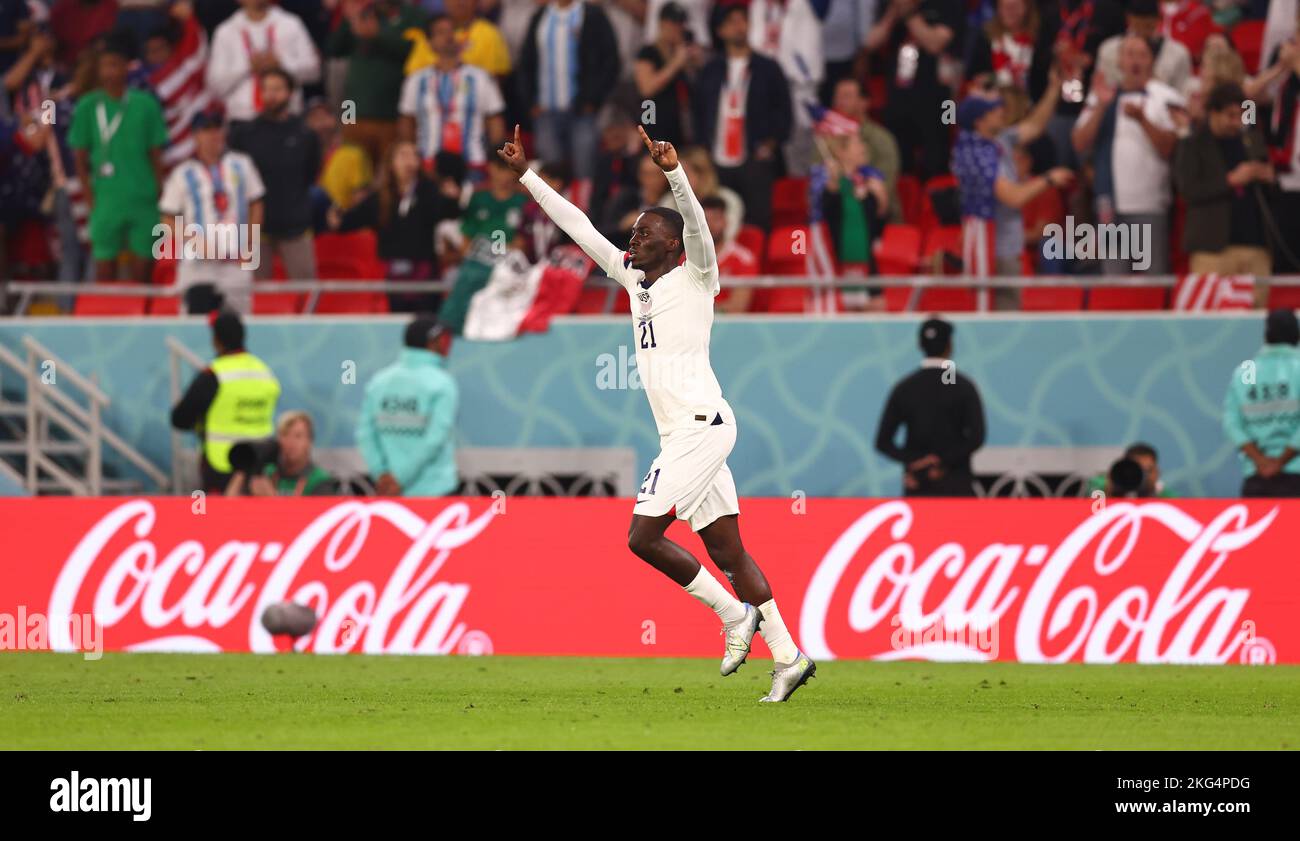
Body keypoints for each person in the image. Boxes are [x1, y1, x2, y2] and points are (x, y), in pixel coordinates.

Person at [498, 123, 817, 702]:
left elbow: (696, 223)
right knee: (728, 551)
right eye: (635, 231)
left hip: (700, 428)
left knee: (642, 537)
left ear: (672, 247)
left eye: (645, 234)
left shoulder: (698, 277)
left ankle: (730, 615)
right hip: (687, 434)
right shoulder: (634, 281)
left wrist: (674, 172)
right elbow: (580, 227)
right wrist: (526, 177)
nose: (633, 239)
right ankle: (790, 657)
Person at [1072, 34, 1183, 276]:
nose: (1136, 61)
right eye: (1130, 54)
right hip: (1108, 203)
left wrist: (1143, 120)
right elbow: (1079, 143)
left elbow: (1169, 148)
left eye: (1142, 55)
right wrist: (1102, 106)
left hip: (1150, 203)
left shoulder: (1165, 97)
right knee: (1114, 281)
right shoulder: (1102, 95)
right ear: (1120, 61)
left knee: (1153, 278)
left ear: (1151, 61)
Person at [951, 85, 1072, 300]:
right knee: (998, 318)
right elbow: (1014, 198)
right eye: (993, 110)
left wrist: (1053, 88)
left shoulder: (998, 141)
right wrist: (1048, 179)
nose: (1001, 111)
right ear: (980, 122)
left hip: (1006, 246)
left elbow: (1034, 126)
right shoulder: (977, 155)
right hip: (993, 250)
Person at [68, 32, 169, 283]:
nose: (109, 71)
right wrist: (90, 199)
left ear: (127, 66)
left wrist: (159, 192)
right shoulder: (87, 106)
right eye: (103, 65)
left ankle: (142, 318)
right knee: (104, 271)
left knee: (143, 271)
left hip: (143, 197)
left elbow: (156, 154)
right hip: (105, 198)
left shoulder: (145, 104)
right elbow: (79, 158)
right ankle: (107, 320)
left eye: (114, 64)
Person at [328, 140, 460, 311]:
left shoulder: (429, 191)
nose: (410, 160)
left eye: (414, 155)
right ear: (391, 163)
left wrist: (452, 200)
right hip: (391, 275)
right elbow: (347, 222)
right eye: (404, 155)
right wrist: (336, 219)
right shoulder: (379, 197)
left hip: (424, 274)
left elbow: (449, 212)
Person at [692, 3, 791, 229]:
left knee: (758, 221)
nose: (739, 26)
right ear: (720, 31)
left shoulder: (768, 68)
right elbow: (698, 113)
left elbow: (784, 113)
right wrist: (702, 150)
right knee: (714, 225)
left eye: (742, 20)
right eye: (731, 22)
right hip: (716, 160)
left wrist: (769, 146)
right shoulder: (710, 70)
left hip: (753, 160)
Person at [159, 106, 266, 314]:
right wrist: (196, 242)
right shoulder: (182, 173)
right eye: (206, 130)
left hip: (235, 262)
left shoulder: (242, 164)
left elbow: (256, 203)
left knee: (238, 323)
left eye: (217, 128)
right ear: (196, 136)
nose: (213, 135)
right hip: (198, 264)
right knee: (194, 323)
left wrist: (251, 242)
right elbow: (167, 219)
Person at [171, 310, 281, 493]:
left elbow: (180, 418)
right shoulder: (264, 372)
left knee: (221, 521)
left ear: (216, 340)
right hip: (261, 468)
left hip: (221, 467)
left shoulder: (214, 375)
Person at [1173, 81, 1275, 278]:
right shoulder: (1193, 144)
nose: (1236, 122)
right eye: (1230, 115)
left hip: (1255, 245)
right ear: (1213, 112)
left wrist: (1268, 178)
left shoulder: (1252, 141)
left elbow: (1270, 191)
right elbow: (1188, 190)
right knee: (1214, 308)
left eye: (1240, 116)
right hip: (1213, 248)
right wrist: (1230, 181)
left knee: (1258, 308)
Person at [875, 317, 986, 497]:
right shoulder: (963, 386)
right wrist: (941, 461)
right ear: (950, 345)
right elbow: (977, 437)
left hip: (918, 486)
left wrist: (916, 461)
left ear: (920, 345)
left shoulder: (905, 388)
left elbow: (883, 442)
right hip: (956, 487)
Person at [229, 68, 320, 282]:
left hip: (296, 227)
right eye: (266, 89)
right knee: (255, 298)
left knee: (306, 294)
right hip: (255, 230)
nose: (271, 95)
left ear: (290, 93)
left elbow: (310, 174)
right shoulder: (243, 134)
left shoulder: (305, 134)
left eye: (277, 89)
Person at [356, 314, 459, 497]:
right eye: (443, 340)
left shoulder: (379, 381)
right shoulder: (442, 383)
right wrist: (398, 479)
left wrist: (382, 475)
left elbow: (365, 433)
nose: (447, 346)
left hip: (388, 489)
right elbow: (434, 439)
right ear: (433, 342)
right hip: (434, 491)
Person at [517, 0, 619, 181]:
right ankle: (551, 210)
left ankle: (585, 208)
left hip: (582, 112)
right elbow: (526, 61)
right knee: (550, 174)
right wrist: (530, 103)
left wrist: (593, 101)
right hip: (545, 111)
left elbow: (610, 61)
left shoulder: (592, 15)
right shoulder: (540, 16)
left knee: (585, 169)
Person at [398, 13, 506, 171]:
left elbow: (495, 120)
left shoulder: (481, 77)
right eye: (440, 32)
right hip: (428, 164)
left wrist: (495, 160)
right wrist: (413, 158)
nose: (449, 36)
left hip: (472, 163)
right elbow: (406, 122)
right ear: (429, 43)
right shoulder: (416, 81)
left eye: (452, 31)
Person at [1224, 309, 1300, 497]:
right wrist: (1280, 462)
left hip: (1257, 478)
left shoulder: (1246, 371)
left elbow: (1232, 423)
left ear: (1266, 335)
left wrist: (1260, 461)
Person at [206, 0, 321, 125]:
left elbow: (314, 71)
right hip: (243, 119)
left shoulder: (291, 24)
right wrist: (247, 67)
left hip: (287, 117)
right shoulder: (225, 32)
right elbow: (215, 87)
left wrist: (282, 64)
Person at [226, 410, 337, 496]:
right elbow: (229, 506)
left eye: (298, 436)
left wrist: (271, 499)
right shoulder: (268, 473)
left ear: (309, 442)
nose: (290, 442)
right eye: (285, 435)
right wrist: (244, 466)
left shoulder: (320, 481)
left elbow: (316, 522)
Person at [633, 1, 697, 148]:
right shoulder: (648, 52)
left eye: (680, 24)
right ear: (662, 24)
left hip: (682, 128)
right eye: (673, 23)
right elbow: (646, 88)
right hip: (654, 124)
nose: (677, 28)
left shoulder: (684, 52)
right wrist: (676, 64)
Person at [1086, 442, 1173, 498]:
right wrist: (1108, 490)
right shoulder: (1100, 483)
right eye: (1136, 470)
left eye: (1147, 470)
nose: (1141, 475)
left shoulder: (1166, 495)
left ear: (1157, 472)